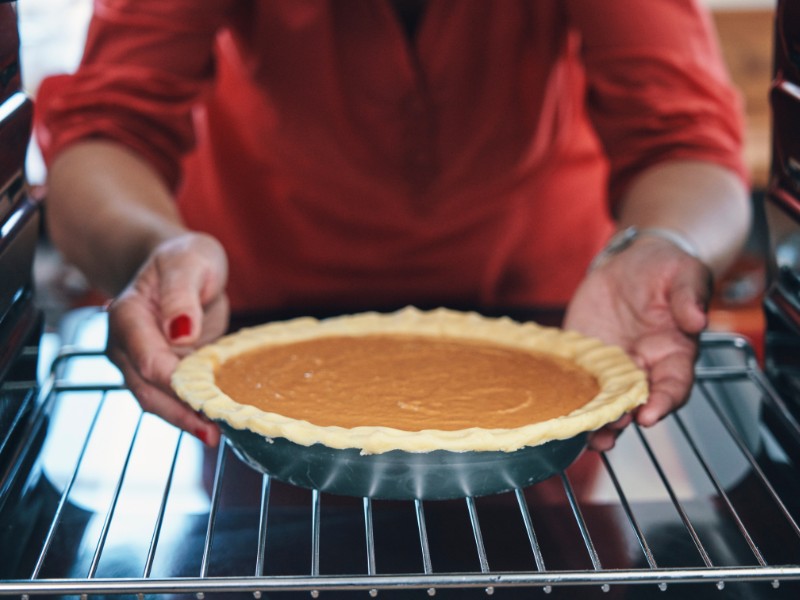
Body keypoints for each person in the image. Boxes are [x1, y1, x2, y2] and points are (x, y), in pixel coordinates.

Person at [35, 0, 752, 452]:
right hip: (251, 325)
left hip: (564, 322)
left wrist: (662, 244)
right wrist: (154, 252)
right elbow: (107, 132)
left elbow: (685, 145)